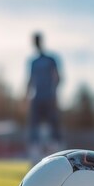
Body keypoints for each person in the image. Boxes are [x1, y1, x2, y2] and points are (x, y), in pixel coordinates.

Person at [26, 32, 62, 165]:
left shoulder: (51, 59)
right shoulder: (33, 61)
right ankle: (35, 157)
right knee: (34, 128)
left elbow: (57, 77)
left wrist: (54, 94)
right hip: (37, 99)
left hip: (49, 98)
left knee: (53, 127)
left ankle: (57, 156)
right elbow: (30, 80)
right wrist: (26, 98)